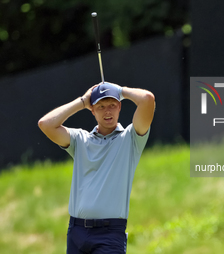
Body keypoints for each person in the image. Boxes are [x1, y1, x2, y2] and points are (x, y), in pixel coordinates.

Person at [38, 82, 155, 254]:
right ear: (92, 110)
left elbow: (147, 99)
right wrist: (82, 101)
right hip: (76, 231)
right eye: (100, 106)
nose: (107, 111)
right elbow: (45, 124)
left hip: (110, 234)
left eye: (112, 105)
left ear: (120, 107)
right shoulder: (80, 140)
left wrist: (120, 91)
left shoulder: (131, 139)